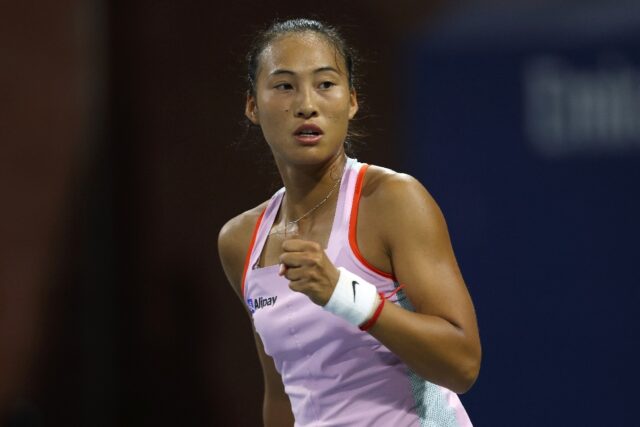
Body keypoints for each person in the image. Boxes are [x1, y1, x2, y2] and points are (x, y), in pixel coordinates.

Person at [218, 18, 481, 427]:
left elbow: (462, 364)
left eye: (325, 84)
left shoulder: (393, 200)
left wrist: (345, 294)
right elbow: (282, 394)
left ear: (352, 101)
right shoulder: (240, 241)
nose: (307, 104)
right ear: (252, 105)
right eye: (285, 85)